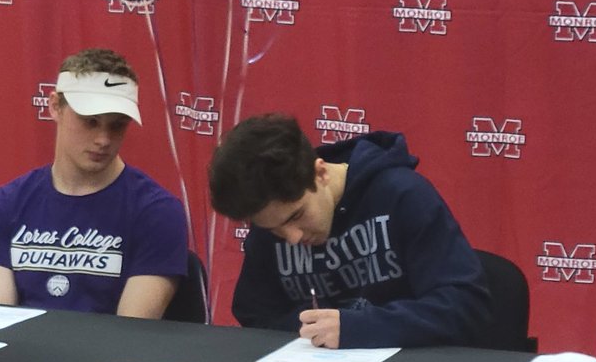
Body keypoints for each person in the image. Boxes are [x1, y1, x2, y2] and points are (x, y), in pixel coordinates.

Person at [208, 114, 490, 348]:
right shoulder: (270, 213)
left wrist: (359, 327)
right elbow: (255, 314)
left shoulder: (403, 195)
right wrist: (308, 329)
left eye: (297, 216)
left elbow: (466, 307)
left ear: (320, 173)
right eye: (274, 229)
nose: (292, 237)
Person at [0, 48, 187, 317]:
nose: (103, 139)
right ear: (54, 107)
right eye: (90, 122)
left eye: (117, 125)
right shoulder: (7, 204)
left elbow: (131, 334)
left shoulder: (157, 213)